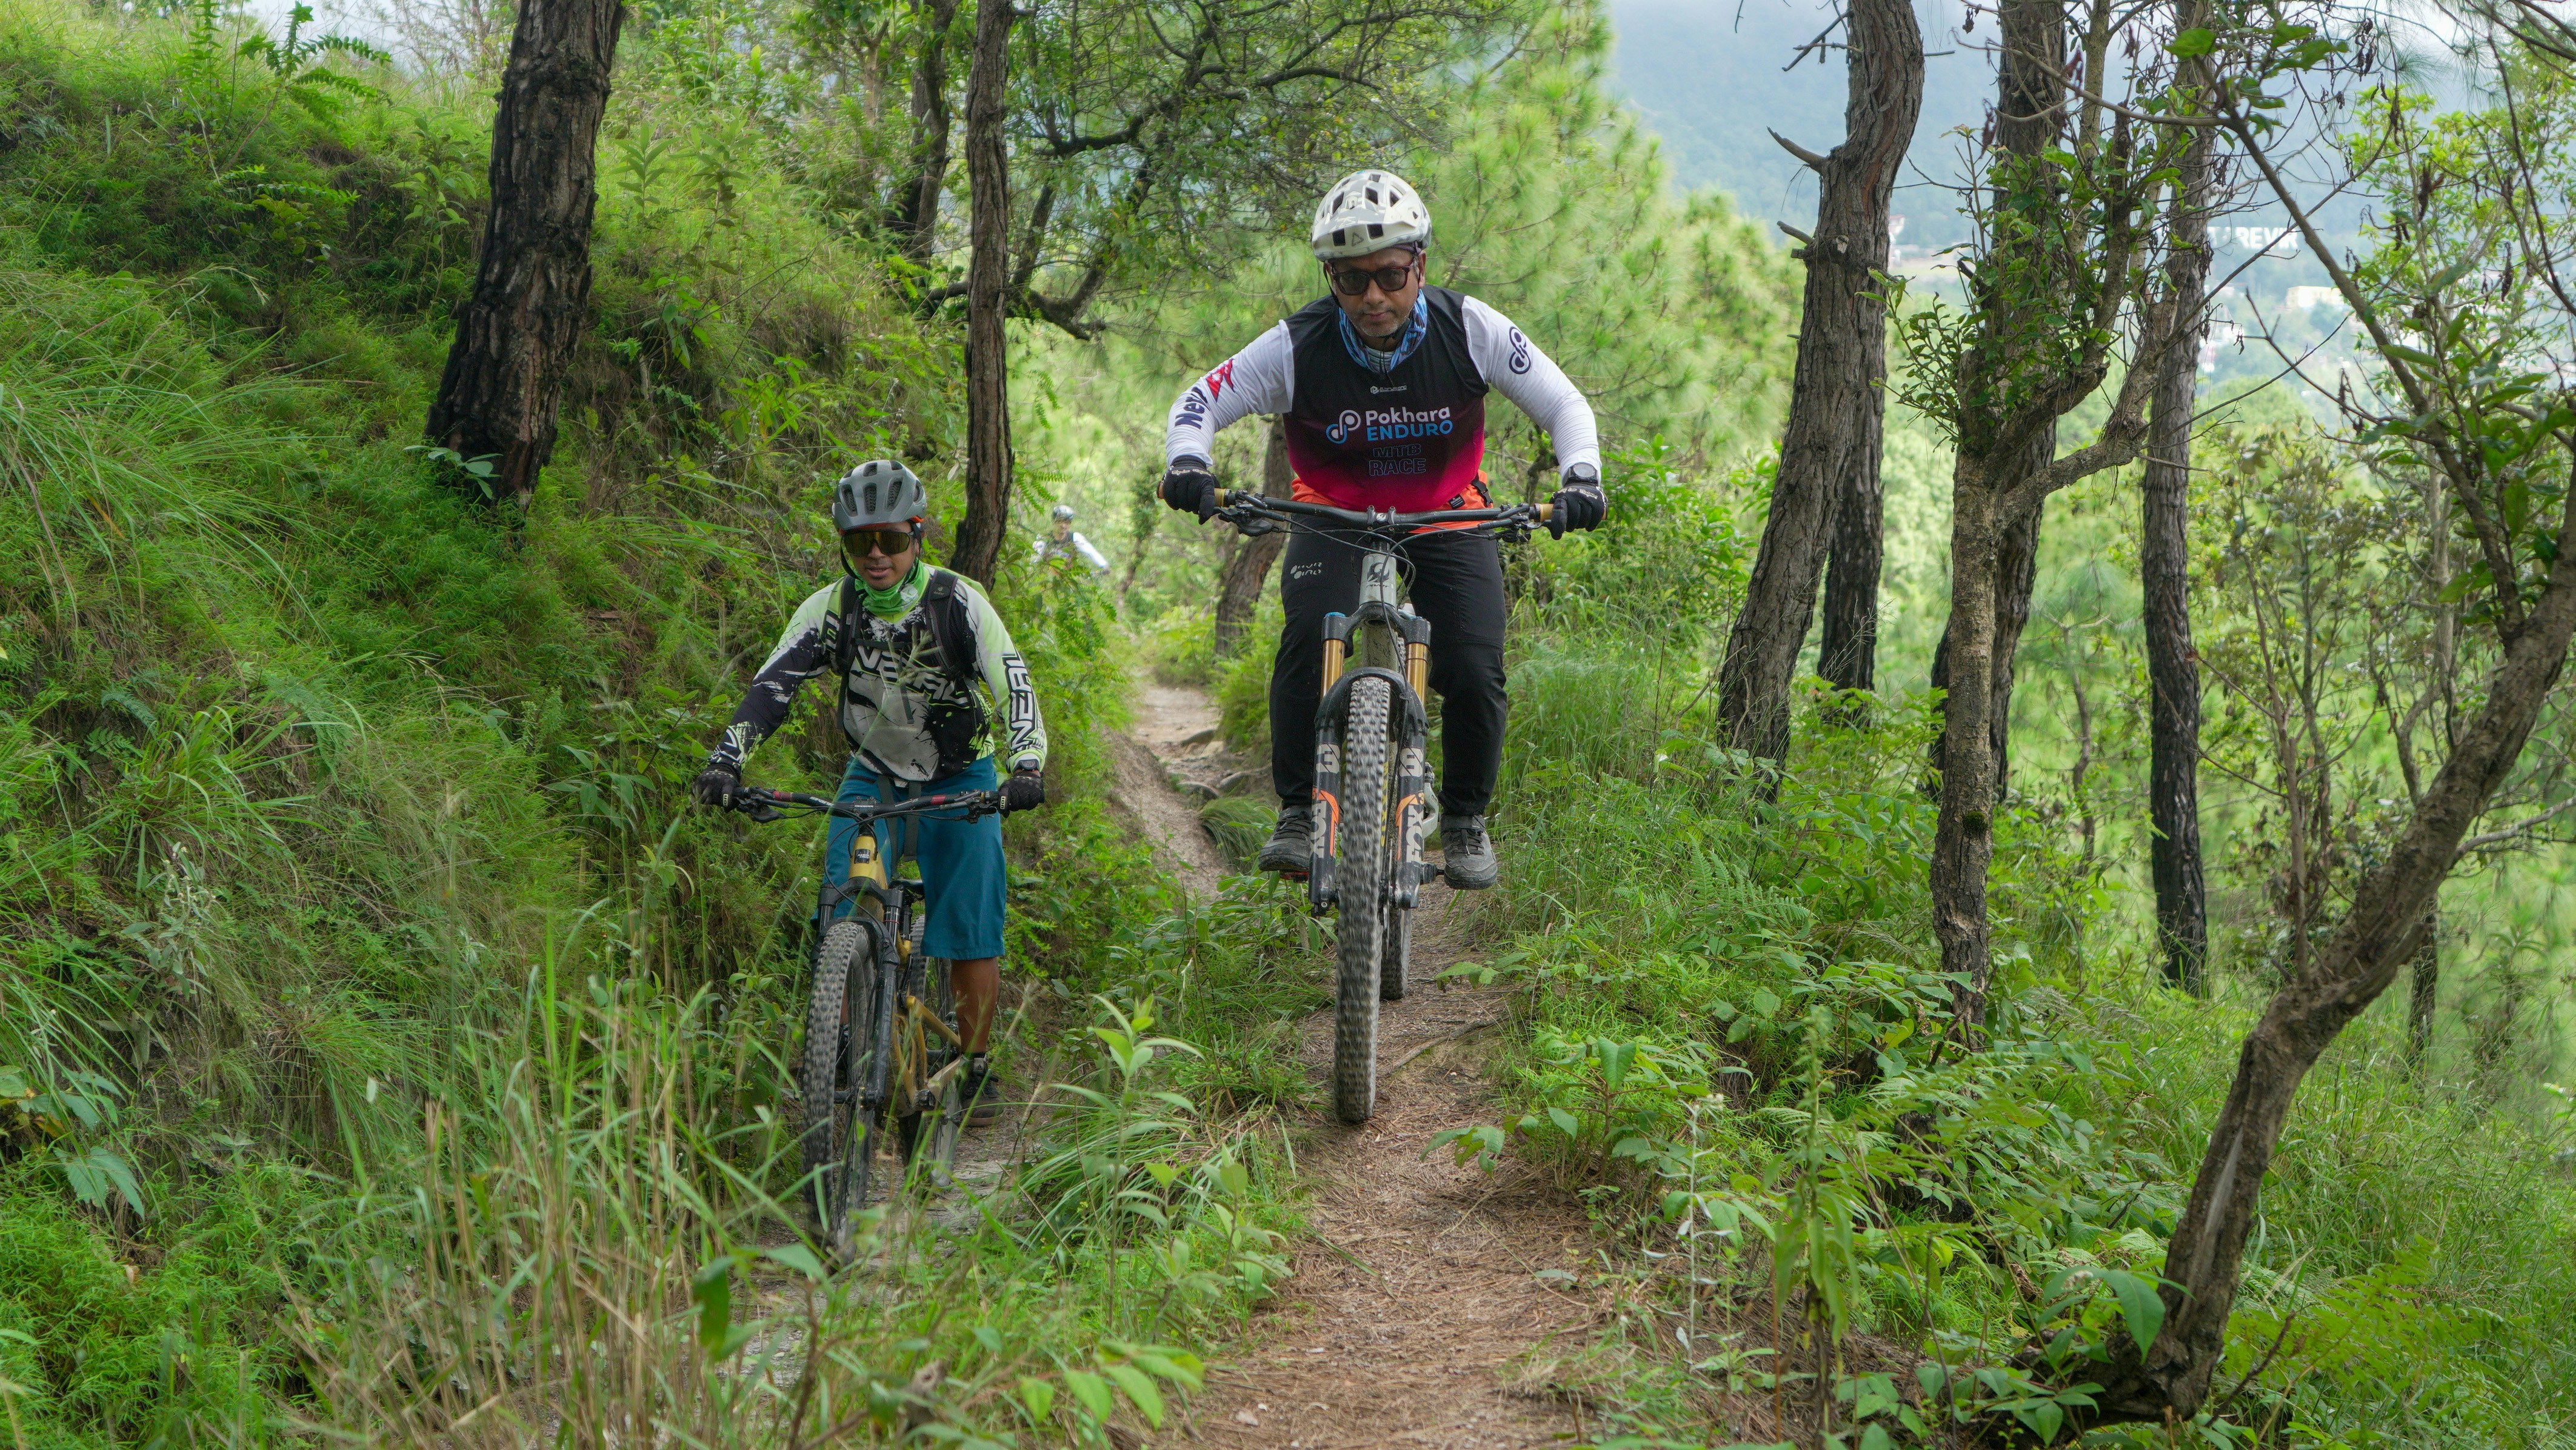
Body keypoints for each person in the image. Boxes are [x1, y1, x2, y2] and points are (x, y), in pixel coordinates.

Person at [1155, 169, 1606, 889]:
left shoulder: (1471, 329)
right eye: (1350, 280)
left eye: (1391, 275)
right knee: (1308, 639)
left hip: (1447, 507)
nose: (1372, 297)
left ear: (1419, 264)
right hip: (1331, 510)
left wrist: (1580, 475)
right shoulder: (1295, 346)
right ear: (1329, 278)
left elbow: (1563, 403)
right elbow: (1197, 402)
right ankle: (1300, 813)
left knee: (1472, 664)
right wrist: (1187, 463)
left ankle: (1462, 821)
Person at [691, 458, 1048, 1124]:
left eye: (889, 539)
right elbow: (770, 691)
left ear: (917, 535)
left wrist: (1025, 766)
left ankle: (971, 1064)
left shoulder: (956, 601)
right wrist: (726, 761)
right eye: (859, 542)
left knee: (970, 928)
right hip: (873, 774)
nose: (875, 555)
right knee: (844, 909)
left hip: (962, 777)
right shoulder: (832, 608)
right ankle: (842, 1043)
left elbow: (1012, 679)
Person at [1033, 503, 1110, 573]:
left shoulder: (1075, 538)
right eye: (1060, 521)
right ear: (1054, 521)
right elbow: (1035, 560)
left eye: (1067, 522)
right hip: (1047, 581)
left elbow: (1091, 552)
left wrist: (1103, 565)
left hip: (1068, 580)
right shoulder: (1044, 538)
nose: (1063, 526)